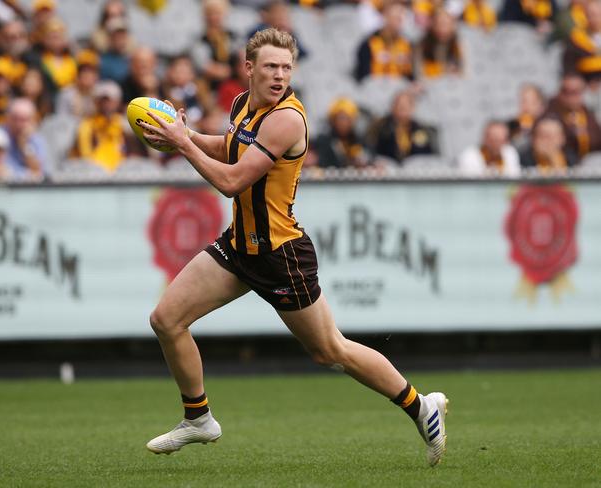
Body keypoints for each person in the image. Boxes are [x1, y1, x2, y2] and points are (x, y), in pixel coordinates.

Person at [137, 28, 448, 467]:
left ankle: (420, 406)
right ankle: (198, 419)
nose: (280, 75)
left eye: (286, 67)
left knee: (330, 350)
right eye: (270, 66)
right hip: (239, 247)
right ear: (249, 69)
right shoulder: (243, 104)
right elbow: (229, 150)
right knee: (166, 320)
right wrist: (181, 135)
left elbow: (231, 181)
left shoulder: (287, 119)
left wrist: (184, 144)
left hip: (281, 255)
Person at [368, 89, 439, 163]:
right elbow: (373, 151)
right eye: (399, 106)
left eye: (405, 106)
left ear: (412, 108)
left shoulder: (421, 129)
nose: (402, 109)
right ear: (393, 107)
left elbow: (428, 154)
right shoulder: (381, 127)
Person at [544, 73, 601, 157]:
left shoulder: (588, 113)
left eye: (575, 92)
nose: (571, 97)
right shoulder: (550, 112)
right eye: (566, 91)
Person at [354, 0, 413, 81]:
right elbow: (363, 77)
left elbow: (410, 76)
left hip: (400, 89)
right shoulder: (369, 43)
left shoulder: (407, 44)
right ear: (385, 15)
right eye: (396, 18)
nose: (400, 21)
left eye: (401, 17)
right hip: (375, 89)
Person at [3, 97, 49, 179]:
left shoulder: (37, 140)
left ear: (32, 121)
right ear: (8, 118)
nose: (18, 124)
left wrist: (24, 145)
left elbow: (39, 171)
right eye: (15, 119)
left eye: (23, 120)